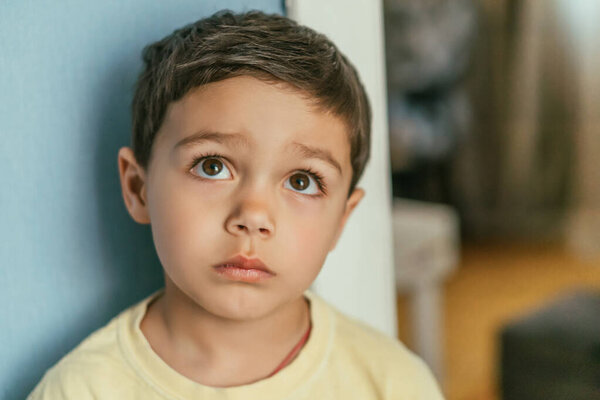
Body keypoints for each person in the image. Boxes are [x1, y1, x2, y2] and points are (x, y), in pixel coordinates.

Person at [27, 10, 444, 399]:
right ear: (138, 188)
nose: (254, 216)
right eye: (212, 166)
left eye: (302, 181)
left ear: (341, 219)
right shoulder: (81, 390)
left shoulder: (392, 384)